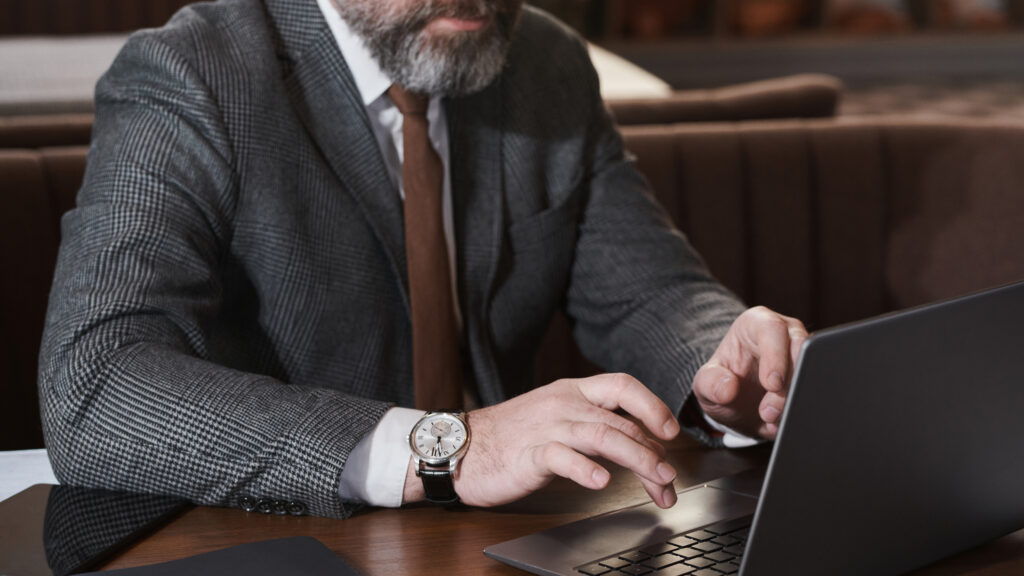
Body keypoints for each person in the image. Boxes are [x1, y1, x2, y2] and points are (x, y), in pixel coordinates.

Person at [39, 0, 807, 519]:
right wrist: (450, 449)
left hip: (512, 536)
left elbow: (648, 292)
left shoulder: (544, 64)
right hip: (294, 535)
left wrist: (726, 368)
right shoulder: (192, 73)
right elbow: (96, 384)